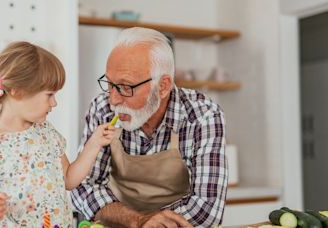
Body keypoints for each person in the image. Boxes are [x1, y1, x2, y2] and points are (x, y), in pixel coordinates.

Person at [70, 27, 228, 227]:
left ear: (162, 86)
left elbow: (207, 208)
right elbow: (83, 185)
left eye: (126, 87)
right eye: (109, 84)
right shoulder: (102, 109)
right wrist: (138, 220)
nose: (113, 99)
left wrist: (154, 223)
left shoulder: (203, 116)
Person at [0, 41, 115, 227]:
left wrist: (94, 144)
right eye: (49, 95)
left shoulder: (47, 132)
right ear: (17, 92)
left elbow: (68, 179)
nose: (54, 103)